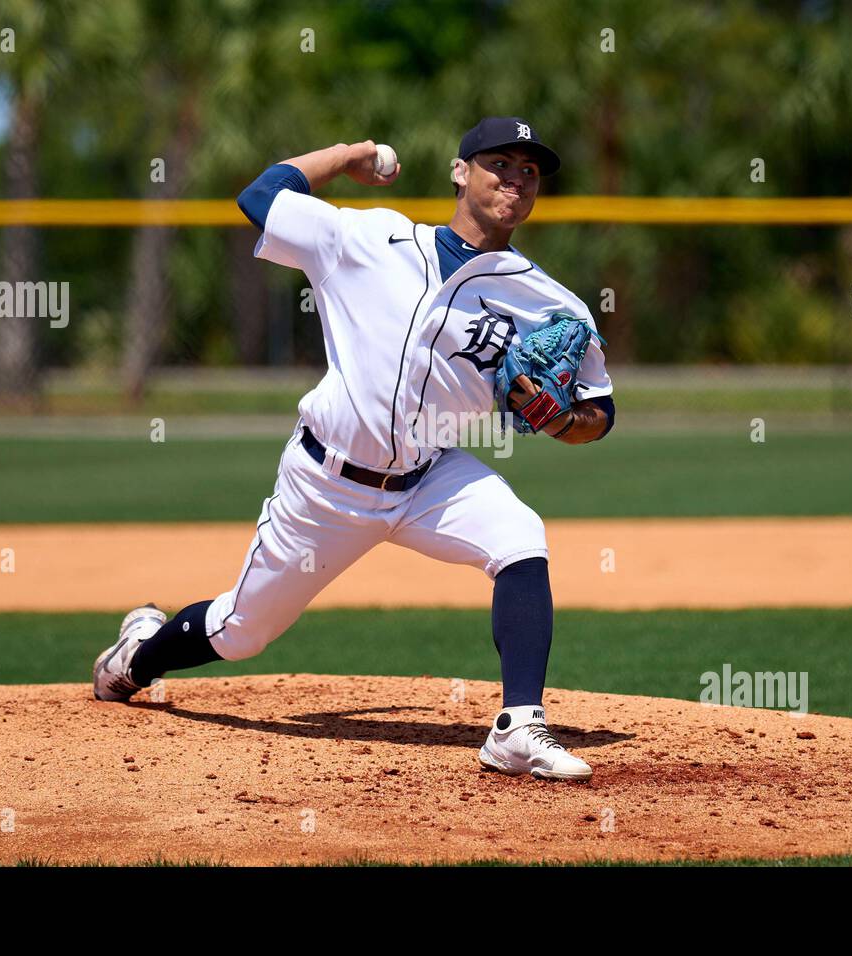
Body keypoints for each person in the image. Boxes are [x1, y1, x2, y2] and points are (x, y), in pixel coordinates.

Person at [93, 118, 616, 781]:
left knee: (521, 537)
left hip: (432, 478)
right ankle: (137, 657)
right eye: (500, 163)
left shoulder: (548, 301)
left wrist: (567, 421)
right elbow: (259, 198)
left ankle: (517, 728)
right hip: (326, 484)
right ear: (460, 172)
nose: (516, 178)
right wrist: (347, 156)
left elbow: (601, 409)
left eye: (529, 170)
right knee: (242, 631)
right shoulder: (372, 238)